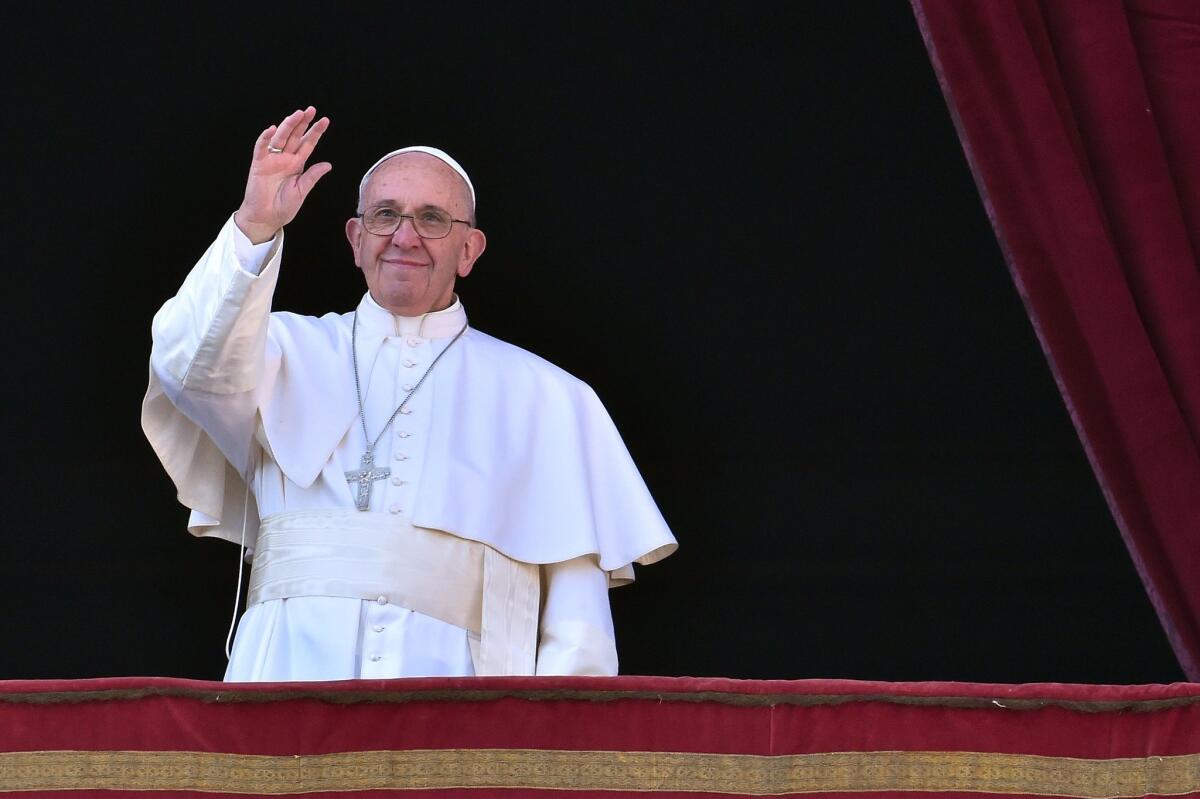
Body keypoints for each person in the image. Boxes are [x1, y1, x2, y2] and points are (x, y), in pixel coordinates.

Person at [141, 107, 676, 681]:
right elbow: (185, 364)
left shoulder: (550, 399)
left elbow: (579, 630)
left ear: (469, 250)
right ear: (355, 238)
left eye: (432, 219)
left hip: (462, 705)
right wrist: (254, 224)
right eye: (385, 215)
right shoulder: (277, 351)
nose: (404, 236)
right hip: (287, 677)